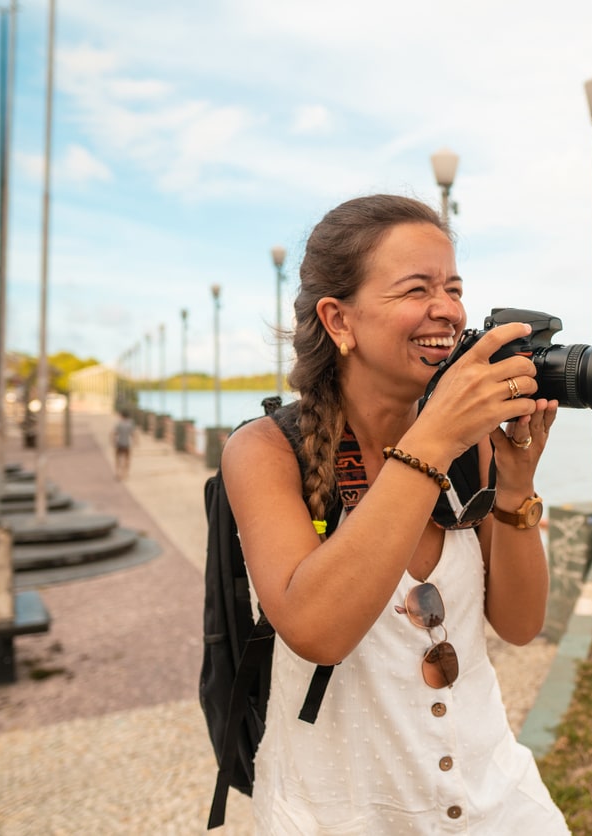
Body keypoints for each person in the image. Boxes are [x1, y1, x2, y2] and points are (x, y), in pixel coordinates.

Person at [221, 194, 569, 833]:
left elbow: (520, 625)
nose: (448, 309)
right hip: (342, 813)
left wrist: (515, 486)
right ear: (339, 319)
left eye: (454, 287)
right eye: (417, 288)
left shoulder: (469, 450)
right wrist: (434, 437)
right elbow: (317, 631)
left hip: (496, 801)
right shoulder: (266, 452)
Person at [113, 409, 135, 480]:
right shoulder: (130, 424)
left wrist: (113, 442)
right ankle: (125, 474)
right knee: (127, 459)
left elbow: (114, 434)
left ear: (122, 416)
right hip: (127, 444)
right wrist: (135, 442)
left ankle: (117, 473)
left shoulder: (119, 424)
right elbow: (133, 434)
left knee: (118, 459)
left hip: (119, 443)